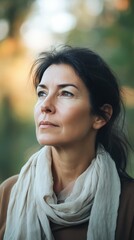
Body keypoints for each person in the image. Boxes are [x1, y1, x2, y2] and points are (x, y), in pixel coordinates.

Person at [0, 46, 134, 240]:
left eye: (66, 93)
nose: (45, 105)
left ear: (101, 116)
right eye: (41, 93)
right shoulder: (8, 194)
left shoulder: (129, 203)